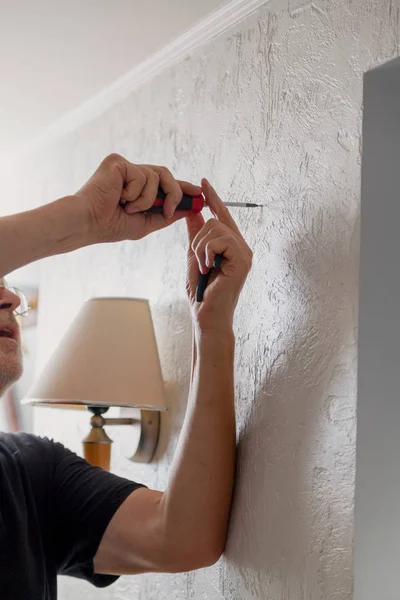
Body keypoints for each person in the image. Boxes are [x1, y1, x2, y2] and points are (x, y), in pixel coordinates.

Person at [0, 154, 252, 598]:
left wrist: (211, 330)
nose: (6, 297)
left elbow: (182, 539)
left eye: (5, 284)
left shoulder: (32, 470)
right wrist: (84, 218)